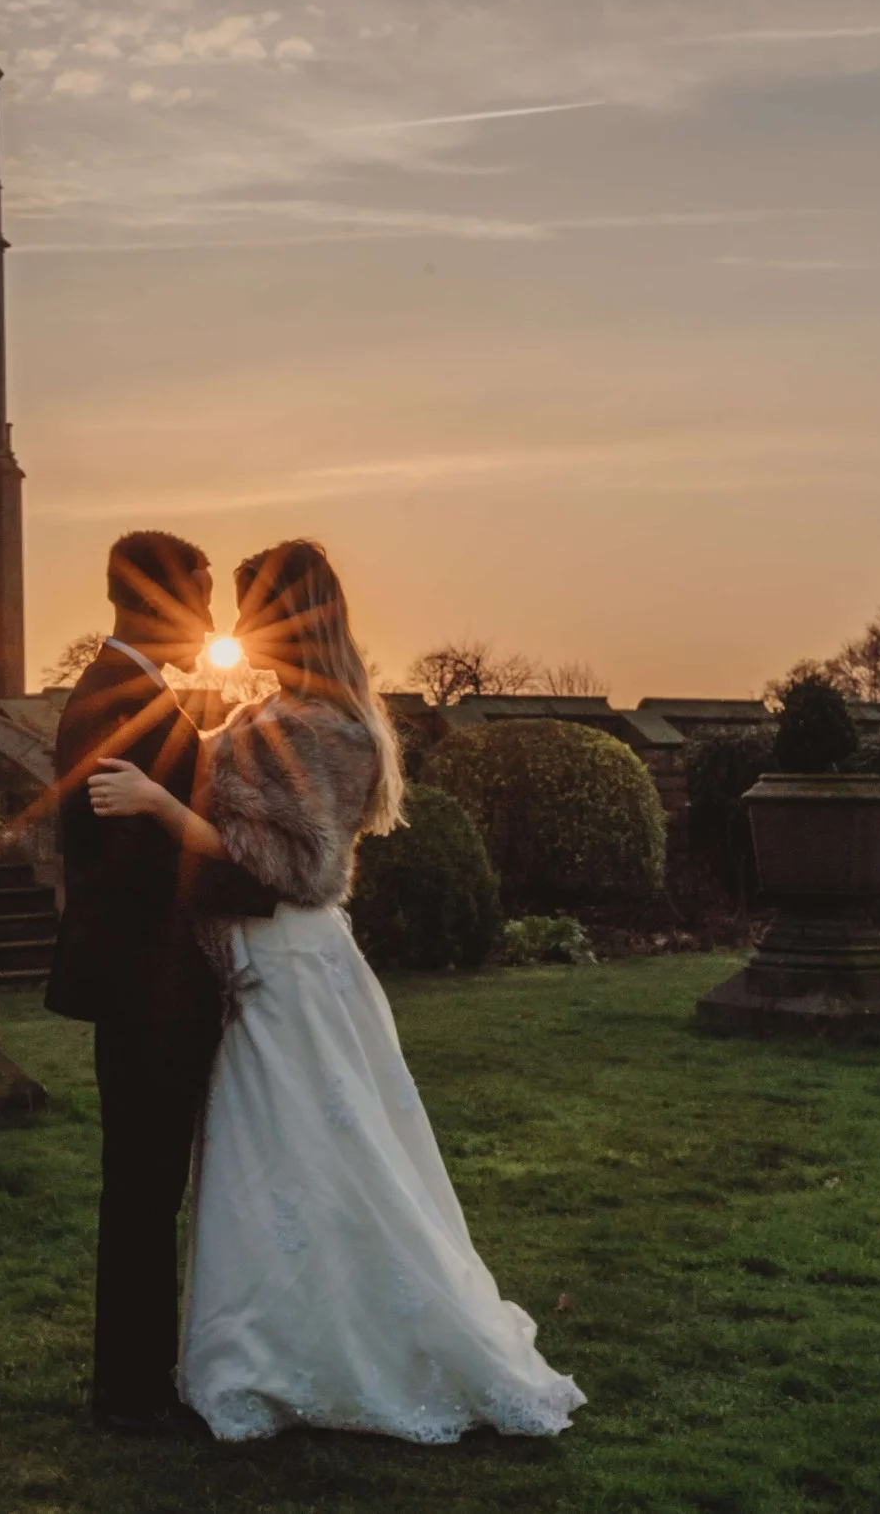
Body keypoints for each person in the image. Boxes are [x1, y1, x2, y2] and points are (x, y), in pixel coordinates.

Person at [88, 540, 586, 1445]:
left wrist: (160, 807)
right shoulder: (282, 710)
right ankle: (263, 1346)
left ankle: (335, 1348)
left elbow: (289, 865)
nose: (237, 630)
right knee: (264, 1165)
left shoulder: (329, 728)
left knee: (316, 1157)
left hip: (287, 963)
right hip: (258, 963)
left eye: (253, 612)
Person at [47, 531, 277, 1436]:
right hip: (150, 984)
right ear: (156, 601)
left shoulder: (125, 690)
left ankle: (134, 1380)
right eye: (203, 600)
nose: (215, 623)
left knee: (142, 1186)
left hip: (145, 980)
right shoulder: (120, 702)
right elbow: (145, 868)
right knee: (144, 1188)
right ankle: (132, 1393)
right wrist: (260, 882)